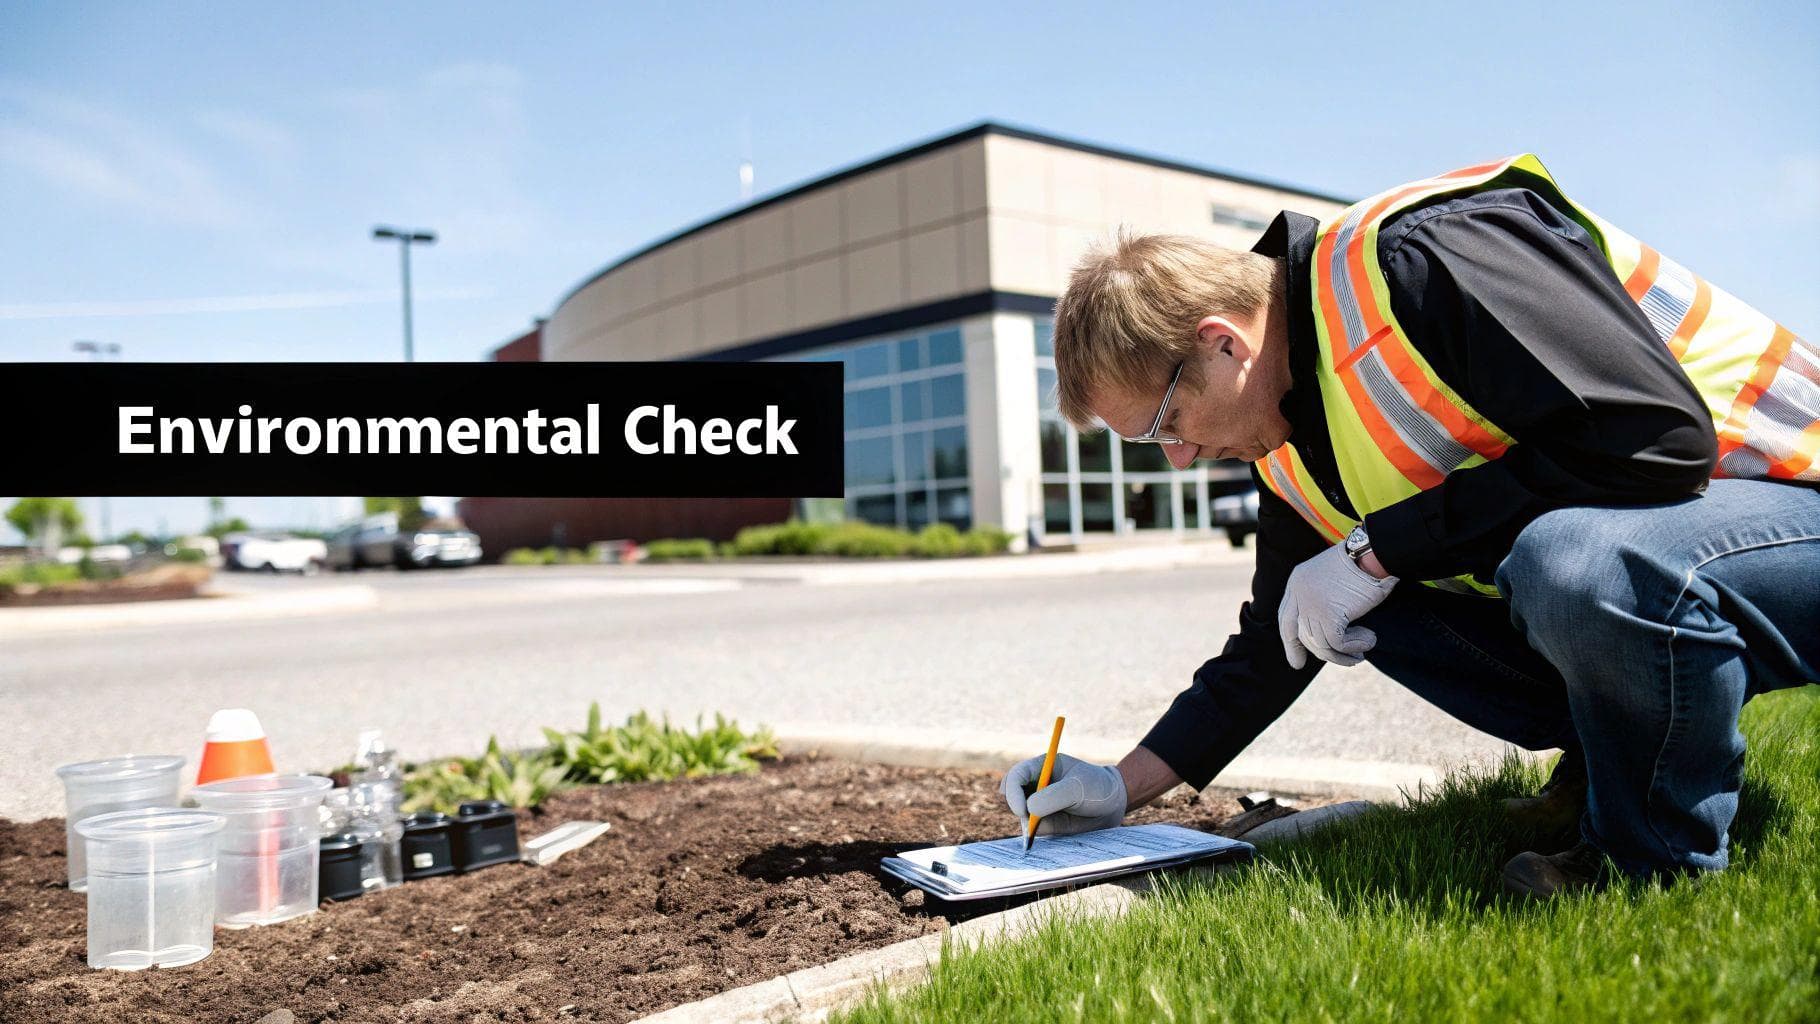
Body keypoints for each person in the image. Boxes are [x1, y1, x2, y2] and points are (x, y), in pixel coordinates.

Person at [1001, 154, 1819, 897]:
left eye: (1166, 425)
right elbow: (1269, 644)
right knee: (1345, 594)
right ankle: (1608, 765)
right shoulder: (1282, 437)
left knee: (1570, 564)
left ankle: (1649, 865)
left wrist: (1376, 548)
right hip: (1689, 551)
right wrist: (1119, 785)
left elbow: (1658, 441)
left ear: (1222, 345)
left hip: (1792, 503)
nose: (1177, 460)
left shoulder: (1429, 259)